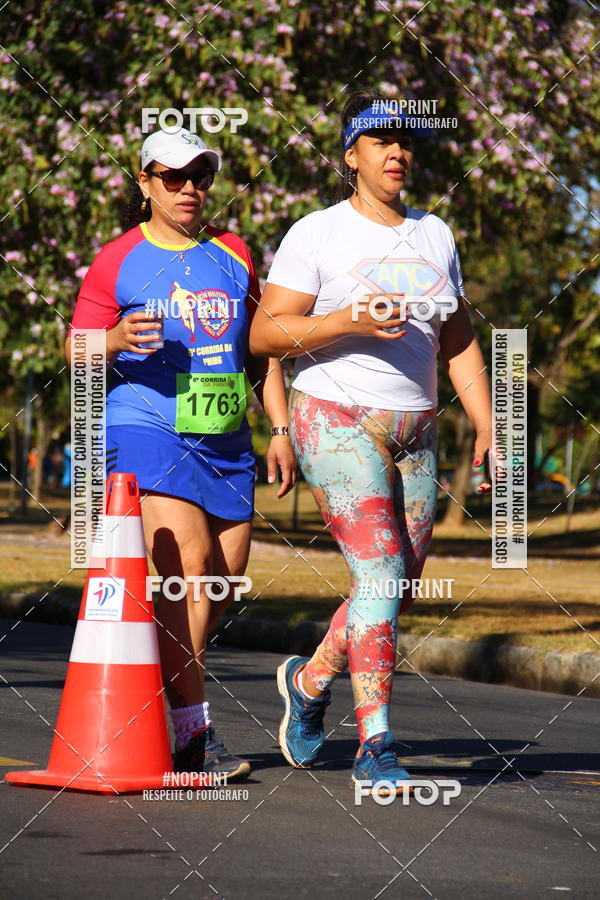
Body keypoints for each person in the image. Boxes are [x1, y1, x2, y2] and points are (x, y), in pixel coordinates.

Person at [249, 89, 492, 794]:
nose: (396, 151)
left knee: (398, 585)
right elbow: (266, 334)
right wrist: (349, 321)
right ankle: (374, 743)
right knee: (381, 572)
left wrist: (487, 422)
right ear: (350, 156)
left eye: (404, 140)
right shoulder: (317, 232)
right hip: (334, 418)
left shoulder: (436, 233)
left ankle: (310, 677)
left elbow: (458, 339)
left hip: (417, 430)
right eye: (379, 140)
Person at [65, 127, 296, 781]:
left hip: (225, 440)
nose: (190, 188)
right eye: (174, 176)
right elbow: (74, 348)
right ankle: (193, 733)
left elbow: (261, 351)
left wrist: (279, 428)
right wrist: (109, 342)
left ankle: (153, 709)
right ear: (144, 182)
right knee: (186, 569)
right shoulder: (118, 259)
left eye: (201, 175)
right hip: (147, 428)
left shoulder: (233, 253)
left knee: (221, 581)